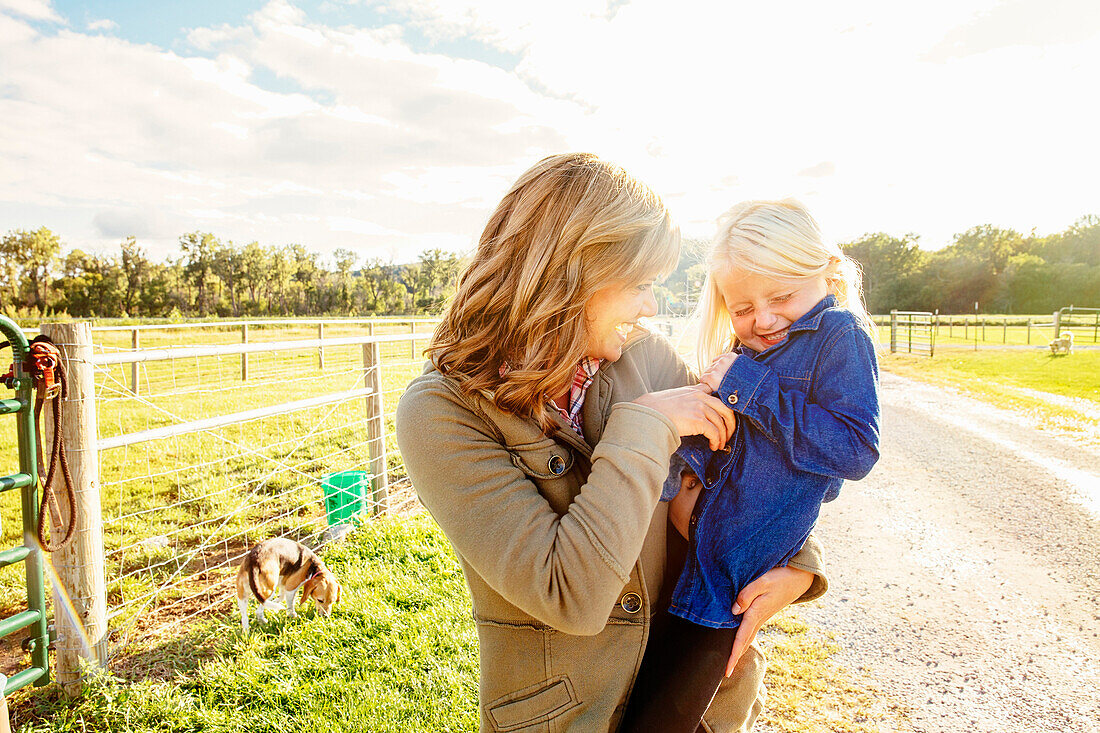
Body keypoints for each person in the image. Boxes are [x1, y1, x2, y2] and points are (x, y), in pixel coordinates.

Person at [395, 155, 829, 733]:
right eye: (640, 284)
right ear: (576, 274)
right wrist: (647, 426)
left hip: (701, 700)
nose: (651, 306)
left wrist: (800, 566)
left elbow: (756, 471)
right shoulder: (442, 412)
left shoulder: (646, 358)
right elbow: (568, 593)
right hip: (570, 717)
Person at [619, 199, 881, 732]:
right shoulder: (752, 349)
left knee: (666, 717)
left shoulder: (839, 335)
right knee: (637, 701)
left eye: (781, 296)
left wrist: (751, 388)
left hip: (728, 582)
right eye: (741, 308)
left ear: (826, 273)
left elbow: (855, 449)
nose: (761, 319)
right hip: (684, 555)